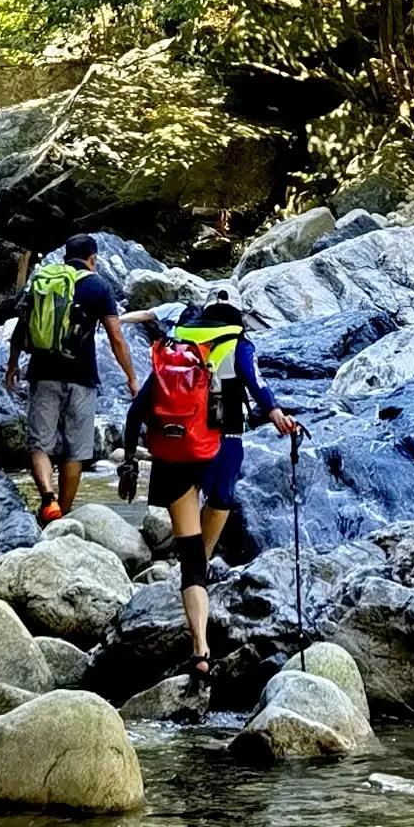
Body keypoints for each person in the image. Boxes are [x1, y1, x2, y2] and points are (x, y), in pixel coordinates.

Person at [123, 293, 299, 702]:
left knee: (190, 560)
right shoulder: (238, 345)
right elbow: (259, 388)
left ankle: (200, 649)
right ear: (236, 320)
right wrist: (279, 417)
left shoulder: (177, 348)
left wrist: (129, 462)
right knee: (207, 539)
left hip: (173, 454)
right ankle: (200, 593)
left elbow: (137, 410)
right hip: (222, 449)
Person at [5, 232, 139, 524]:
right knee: (74, 451)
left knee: (39, 444)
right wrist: (131, 377)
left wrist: (12, 365)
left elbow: (21, 328)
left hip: (42, 375)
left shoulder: (43, 282)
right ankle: (61, 515)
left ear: (66, 256)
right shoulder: (97, 286)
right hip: (82, 377)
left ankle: (47, 499)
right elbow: (116, 337)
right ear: (93, 258)